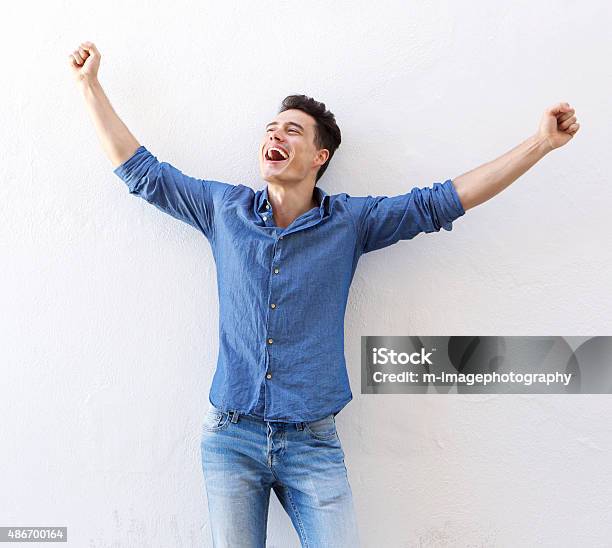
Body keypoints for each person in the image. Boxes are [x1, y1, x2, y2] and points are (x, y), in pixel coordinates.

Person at [69, 40, 580, 548]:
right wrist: (90, 86)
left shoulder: (350, 223)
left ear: (320, 155)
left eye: (292, 130)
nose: (276, 135)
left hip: (312, 443)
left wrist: (540, 144)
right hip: (230, 436)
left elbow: (441, 202)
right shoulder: (224, 210)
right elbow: (142, 173)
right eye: (271, 129)